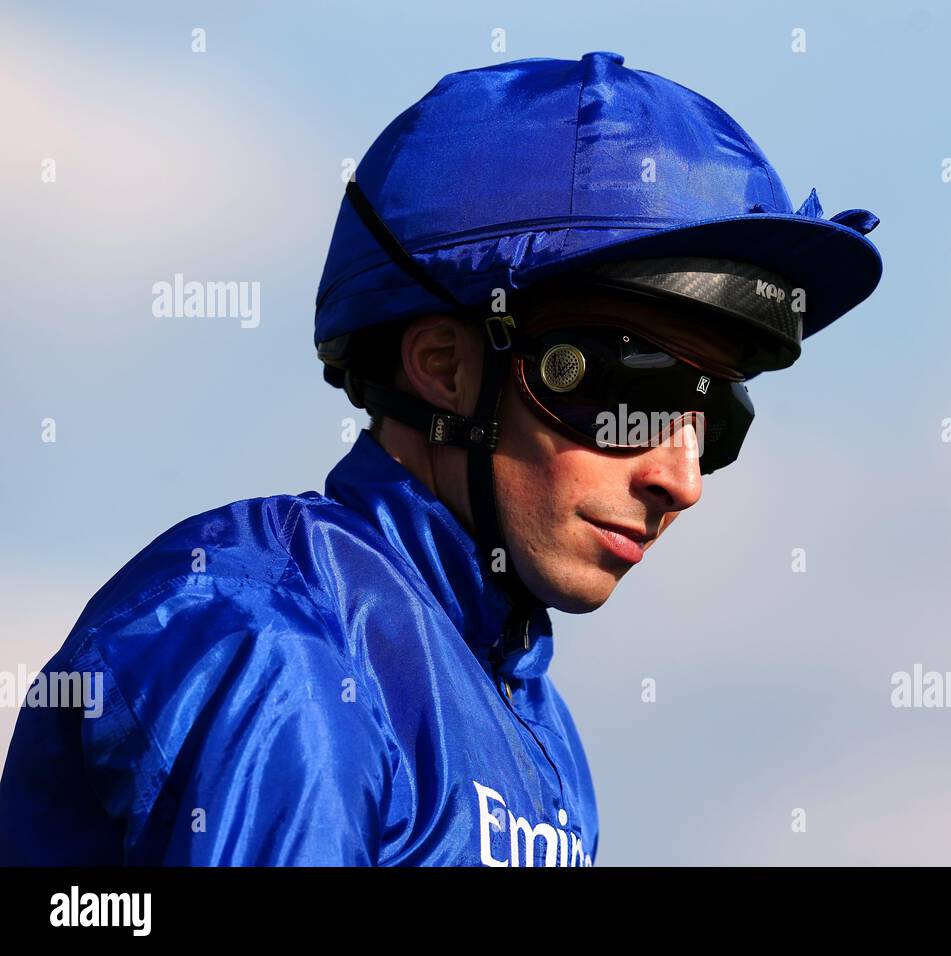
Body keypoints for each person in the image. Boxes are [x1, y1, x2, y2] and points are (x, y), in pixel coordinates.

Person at [0, 50, 882, 866]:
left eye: (714, 415)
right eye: (633, 393)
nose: (679, 480)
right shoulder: (278, 648)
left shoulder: (537, 728)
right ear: (445, 369)